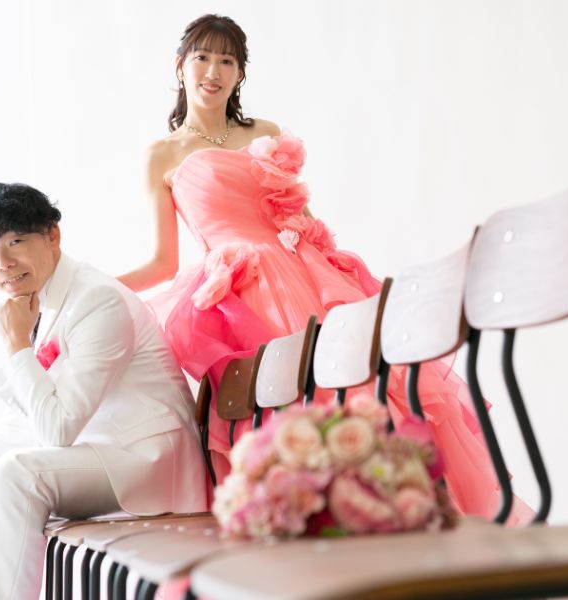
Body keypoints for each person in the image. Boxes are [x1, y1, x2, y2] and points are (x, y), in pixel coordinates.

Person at [118, 14, 531, 524]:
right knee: (281, 401)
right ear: (180, 65)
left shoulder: (264, 133)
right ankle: (312, 518)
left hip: (304, 272)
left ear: (240, 73)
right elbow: (165, 262)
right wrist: (94, 286)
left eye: (227, 60)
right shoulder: (162, 156)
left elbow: (300, 217)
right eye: (202, 57)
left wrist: (328, 259)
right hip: (239, 291)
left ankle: (401, 509)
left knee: (360, 383)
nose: (213, 71)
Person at [0, 183, 207, 599]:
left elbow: (56, 431)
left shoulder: (97, 300)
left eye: (16, 242)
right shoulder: (42, 303)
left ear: (53, 235)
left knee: (18, 473)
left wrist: (17, 347)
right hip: (99, 454)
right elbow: (28, 425)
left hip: (149, 461)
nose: (3, 263)